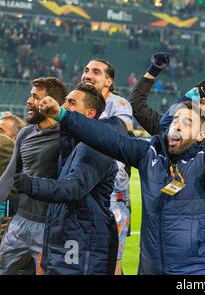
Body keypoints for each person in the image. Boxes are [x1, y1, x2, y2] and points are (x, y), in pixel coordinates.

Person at [37, 94, 205, 275]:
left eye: (187, 122)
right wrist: (62, 115)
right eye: (175, 120)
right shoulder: (148, 154)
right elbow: (105, 139)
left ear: (201, 134)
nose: (177, 126)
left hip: (194, 271)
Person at [12, 83, 122, 275]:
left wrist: (29, 183)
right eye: (64, 102)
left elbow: (72, 188)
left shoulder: (95, 146)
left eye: (71, 103)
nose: (63, 107)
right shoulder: (71, 142)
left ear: (89, 113)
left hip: (83, 241)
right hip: (67, 235)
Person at [0, 77, 68, 275]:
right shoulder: (25, 134)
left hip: (50, 225)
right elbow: (8, 177)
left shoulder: (67, 136)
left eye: (36, 97)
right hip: (20, 222)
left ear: (52, 103)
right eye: (30, 96)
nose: (29, 101)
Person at [81, 58, 132, 274]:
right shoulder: (78, 101)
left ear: (108, 81)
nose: (88, 75)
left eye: (96, 72)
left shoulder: (118, 104)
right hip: (82, 188)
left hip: (111, 192)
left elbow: (121, 135)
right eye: (86, 70)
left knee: (111, 261)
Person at [128, 53, 205, 136]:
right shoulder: (166, 126)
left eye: (200, 102)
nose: (192, 105)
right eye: (191, 102)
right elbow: (136, 104)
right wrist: (154, 70)